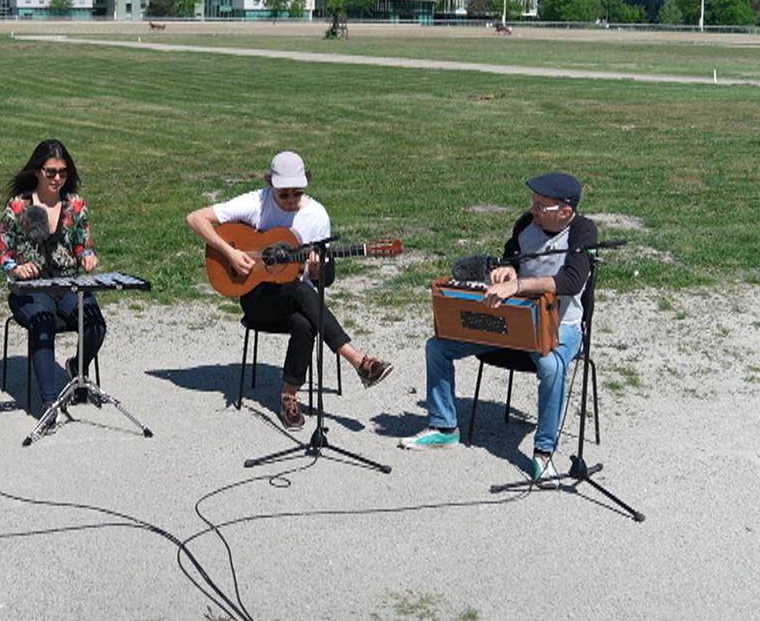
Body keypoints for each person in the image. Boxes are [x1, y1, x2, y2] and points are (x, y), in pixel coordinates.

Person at [403, 172, 595, 483]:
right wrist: (506, 271)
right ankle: (443, 427)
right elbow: (511, 259)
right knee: (437, 347)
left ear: (565, 211)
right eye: (533, 202)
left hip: (562, 326)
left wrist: (519, 284)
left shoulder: (583, 231)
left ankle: (544, 454)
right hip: (514, 320)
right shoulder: (525, 225)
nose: (533, 209)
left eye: (542, 205)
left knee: (550, 365)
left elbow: (572, 282)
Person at [185, 151, 392, 431]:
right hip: (258, 299)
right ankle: (358, 360)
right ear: (271, 184)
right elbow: (195, 218)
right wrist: (230, 253)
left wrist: (318, 271)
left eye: (297, 193)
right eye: (284, 195)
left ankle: (288, 397)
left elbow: (325, 281)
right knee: (300, 292)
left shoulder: (317, 216)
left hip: (300, 303)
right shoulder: (255, 202)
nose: (291, 200)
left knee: (304, 319)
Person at [0, 139, 105, 409]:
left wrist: (87, 256)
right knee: (42, 322)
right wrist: (16, 268)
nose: (57, 178)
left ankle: (77, 370)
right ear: (37, 172)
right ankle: (49, 402)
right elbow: (0, 255)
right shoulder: (18, 206)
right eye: (51, 172)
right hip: (30, 289)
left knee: (95, 324)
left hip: (67, 285)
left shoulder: (75, 205)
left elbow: (82, 245)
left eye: (63, 173)